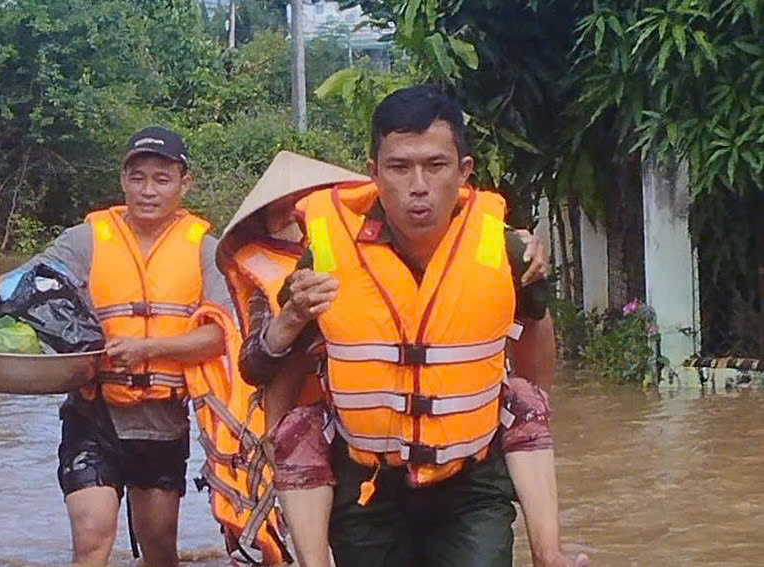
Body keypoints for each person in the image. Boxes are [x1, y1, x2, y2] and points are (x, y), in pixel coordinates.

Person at [239, 86, 589, 567]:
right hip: (367, 488)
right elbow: (268, 370)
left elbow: (534, 352)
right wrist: (291, 321)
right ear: (374, 173)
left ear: (463, 171)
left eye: (436, 165)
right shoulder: (324, 257)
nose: (418, 185)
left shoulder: (508, 252)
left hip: (471, 482)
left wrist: (527, 411)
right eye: (400, 168)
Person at [0, 127, 234, 567]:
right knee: (91, 538)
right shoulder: (88, 239)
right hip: (93, 411)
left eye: (162, 179)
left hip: (161, 420)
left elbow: (221, 336)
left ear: (185, 184)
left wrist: (148, 349)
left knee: (160, 547)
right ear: (123, 181)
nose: (148, 190)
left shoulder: (206, 250)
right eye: (137, 177)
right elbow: (18, 284)